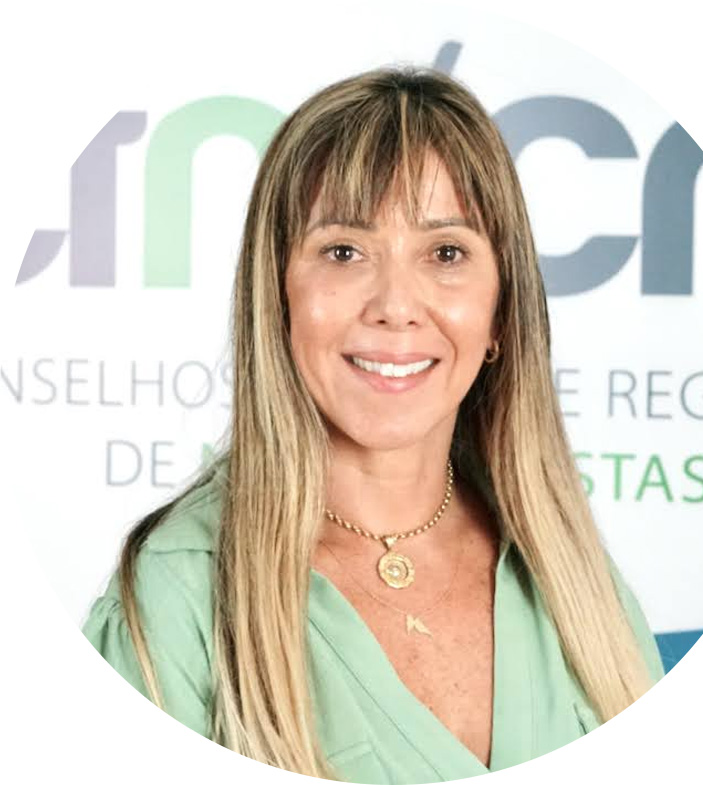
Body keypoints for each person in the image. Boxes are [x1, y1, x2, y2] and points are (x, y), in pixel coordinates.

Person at [82, 64, 665, 784]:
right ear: (278, 296)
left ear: (501, 312)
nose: (395, 305)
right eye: (344, 252)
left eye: (446, 253)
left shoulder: (572, 576)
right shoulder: (178, 597)